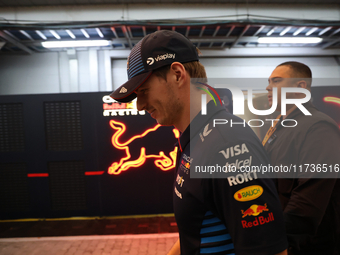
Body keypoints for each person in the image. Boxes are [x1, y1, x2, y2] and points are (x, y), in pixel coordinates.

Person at [110, 30, 288, 255]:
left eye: (144, 91)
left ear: (177, 74)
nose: (140, 105)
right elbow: (193, 233)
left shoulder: (226, 146)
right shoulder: (196, 137)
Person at [264, 61, 340, 255]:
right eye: (269, 81)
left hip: (304, 247)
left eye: (277, 81)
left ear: (301, 87)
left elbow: (308, 201)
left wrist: (277, 244)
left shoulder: (319, 128)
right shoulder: (280, 128)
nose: (268, 87)